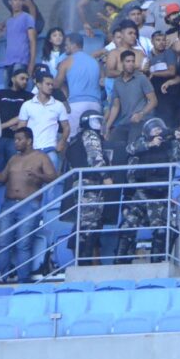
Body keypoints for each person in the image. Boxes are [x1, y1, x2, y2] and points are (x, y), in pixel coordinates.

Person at [115, 118, 180, 263]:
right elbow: (130, 149)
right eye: (154, 130)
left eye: (159, 129)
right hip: (139, 195)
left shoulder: (168, 145)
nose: (158, 132)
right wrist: (150, 144)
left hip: (158, 195)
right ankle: (120, 261)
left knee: (162, 229)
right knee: (127, 227)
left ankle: (157, 262)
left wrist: (179, 140)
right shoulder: (140, 142)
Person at [0, 128, 57, 283]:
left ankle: (23, 279)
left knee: (23, 243)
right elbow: (2, 177)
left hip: (29, 205)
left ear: (29, 140)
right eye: (15, 139)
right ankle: (3, 277)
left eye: (19, 139)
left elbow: (54, 177)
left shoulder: (41, 157)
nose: (16, 142)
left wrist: (38, 175)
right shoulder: (13, 159)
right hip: (8, 204)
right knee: (2, 242)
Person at [65, 110, 114, 264]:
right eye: (97, 121)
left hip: (79, 184)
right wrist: (106, 177)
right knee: (89, 225)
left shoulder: (75, 139)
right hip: (91, 184)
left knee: (85, 224)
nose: (100, 124)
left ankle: (83, 263)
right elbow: (95, 158)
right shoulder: (90, 135)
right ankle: (84, 264)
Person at [18, 73, 70, 174]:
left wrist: (62, 142)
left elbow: (66, 127)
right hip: (31, 150)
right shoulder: (27, 105)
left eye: (52, 84)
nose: (51, 87)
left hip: (50, 149)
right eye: (48, 84)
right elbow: (21, 128)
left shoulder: (59, 105)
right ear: (38, 84)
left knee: (51, 183)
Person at [105, 50, 157, 143]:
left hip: (140, 121)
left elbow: (153, 101)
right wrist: (107, 126)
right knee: (112, 145)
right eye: (128, 61)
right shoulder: (117, 82)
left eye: (133, 61)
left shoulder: (141, 78)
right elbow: (115, 106)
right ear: (121, 63)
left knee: (132, 146)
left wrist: (141, 114)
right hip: (124, 122)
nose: (131, 64)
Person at [0, 68, 33, 171]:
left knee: (15, 168)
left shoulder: (29, 97)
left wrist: (19, 125)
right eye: (22, 78)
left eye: (26, 79)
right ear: (13, 79)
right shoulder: (0, 93)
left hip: (16, 139)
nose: (25, 82)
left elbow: (29, 115)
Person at [3, 0, 38, 75]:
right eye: (15, 0)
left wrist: (31, 63)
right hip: (8, 62)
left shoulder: (27, 18)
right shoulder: (8, 21)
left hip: (21, 61)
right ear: (10, 2)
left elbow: (32, 41)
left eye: (20, 0)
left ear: (23, 2)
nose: (17, 2)